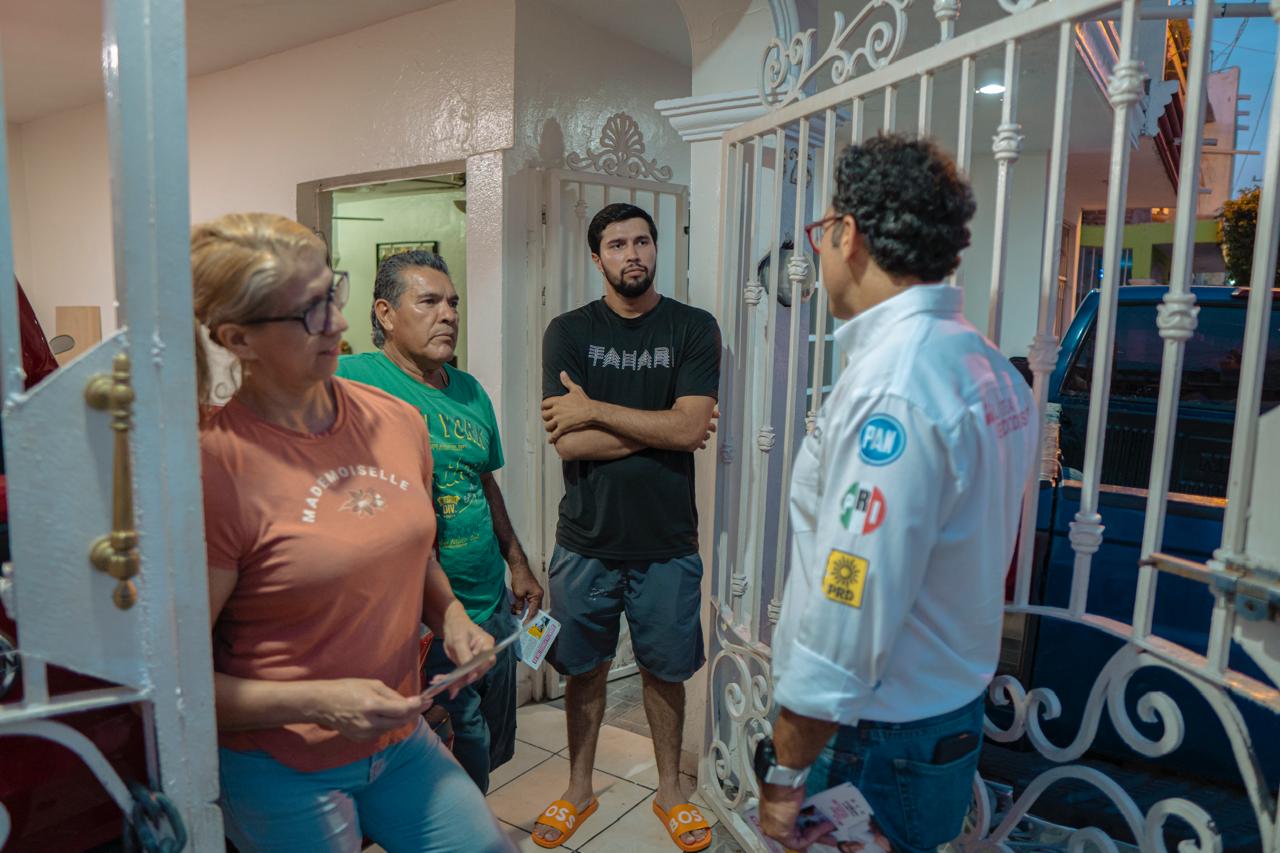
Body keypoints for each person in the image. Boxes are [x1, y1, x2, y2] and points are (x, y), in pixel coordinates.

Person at [193, 212, 513, 853]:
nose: (338, 323)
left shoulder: (397, 421)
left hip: (399, 740)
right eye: (307, 313)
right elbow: (181, 685)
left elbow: (411, 550)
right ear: (240, 339)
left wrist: (449, 615)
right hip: (280, 762)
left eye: (331, 296)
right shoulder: (214, 466)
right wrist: (317, 702)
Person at [756, 135, 1038, 852]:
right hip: (939, 711)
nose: (818, 253)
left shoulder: (898, 385)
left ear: (848, 235)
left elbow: (850, 601)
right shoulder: (984, 365)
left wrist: (786, 766)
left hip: (871, 735)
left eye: (821, 232)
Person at [534, 203, 720, 851]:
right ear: (597, 258)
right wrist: (663, 428)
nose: (632, 253)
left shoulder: (693, 327)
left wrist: (598, 411)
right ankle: (578, 787)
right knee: (582, 668)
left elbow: (692, 427)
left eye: (642, 241)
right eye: (617, 244)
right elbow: (571, 445)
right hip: (584, 539)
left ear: (655, 248)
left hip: (668, 540)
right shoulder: (569, 331)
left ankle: (672, 789)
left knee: (665, 670)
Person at [337, 249, 543, 793]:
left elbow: (485, 483)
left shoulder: (470, 391)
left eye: (452, 302)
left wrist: (517, 564)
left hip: (489, 603)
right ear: (385, 313)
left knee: (491, 738)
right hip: (418, 620)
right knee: (451, 744)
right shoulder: (350, 379)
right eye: (428, 301)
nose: (448, 313)